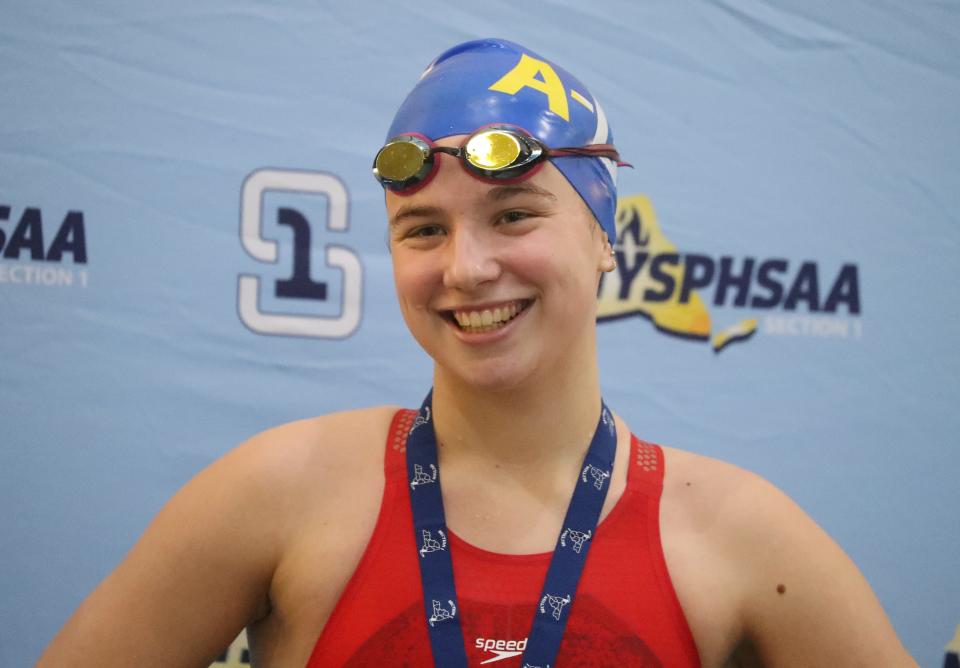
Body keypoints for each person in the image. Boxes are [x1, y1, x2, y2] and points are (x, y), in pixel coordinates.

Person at [39, 38, 915, 667]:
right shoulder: (278, 494)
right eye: (424, 229)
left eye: (514, 214)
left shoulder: (743, 539)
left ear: (605, 236)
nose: (466, 267)